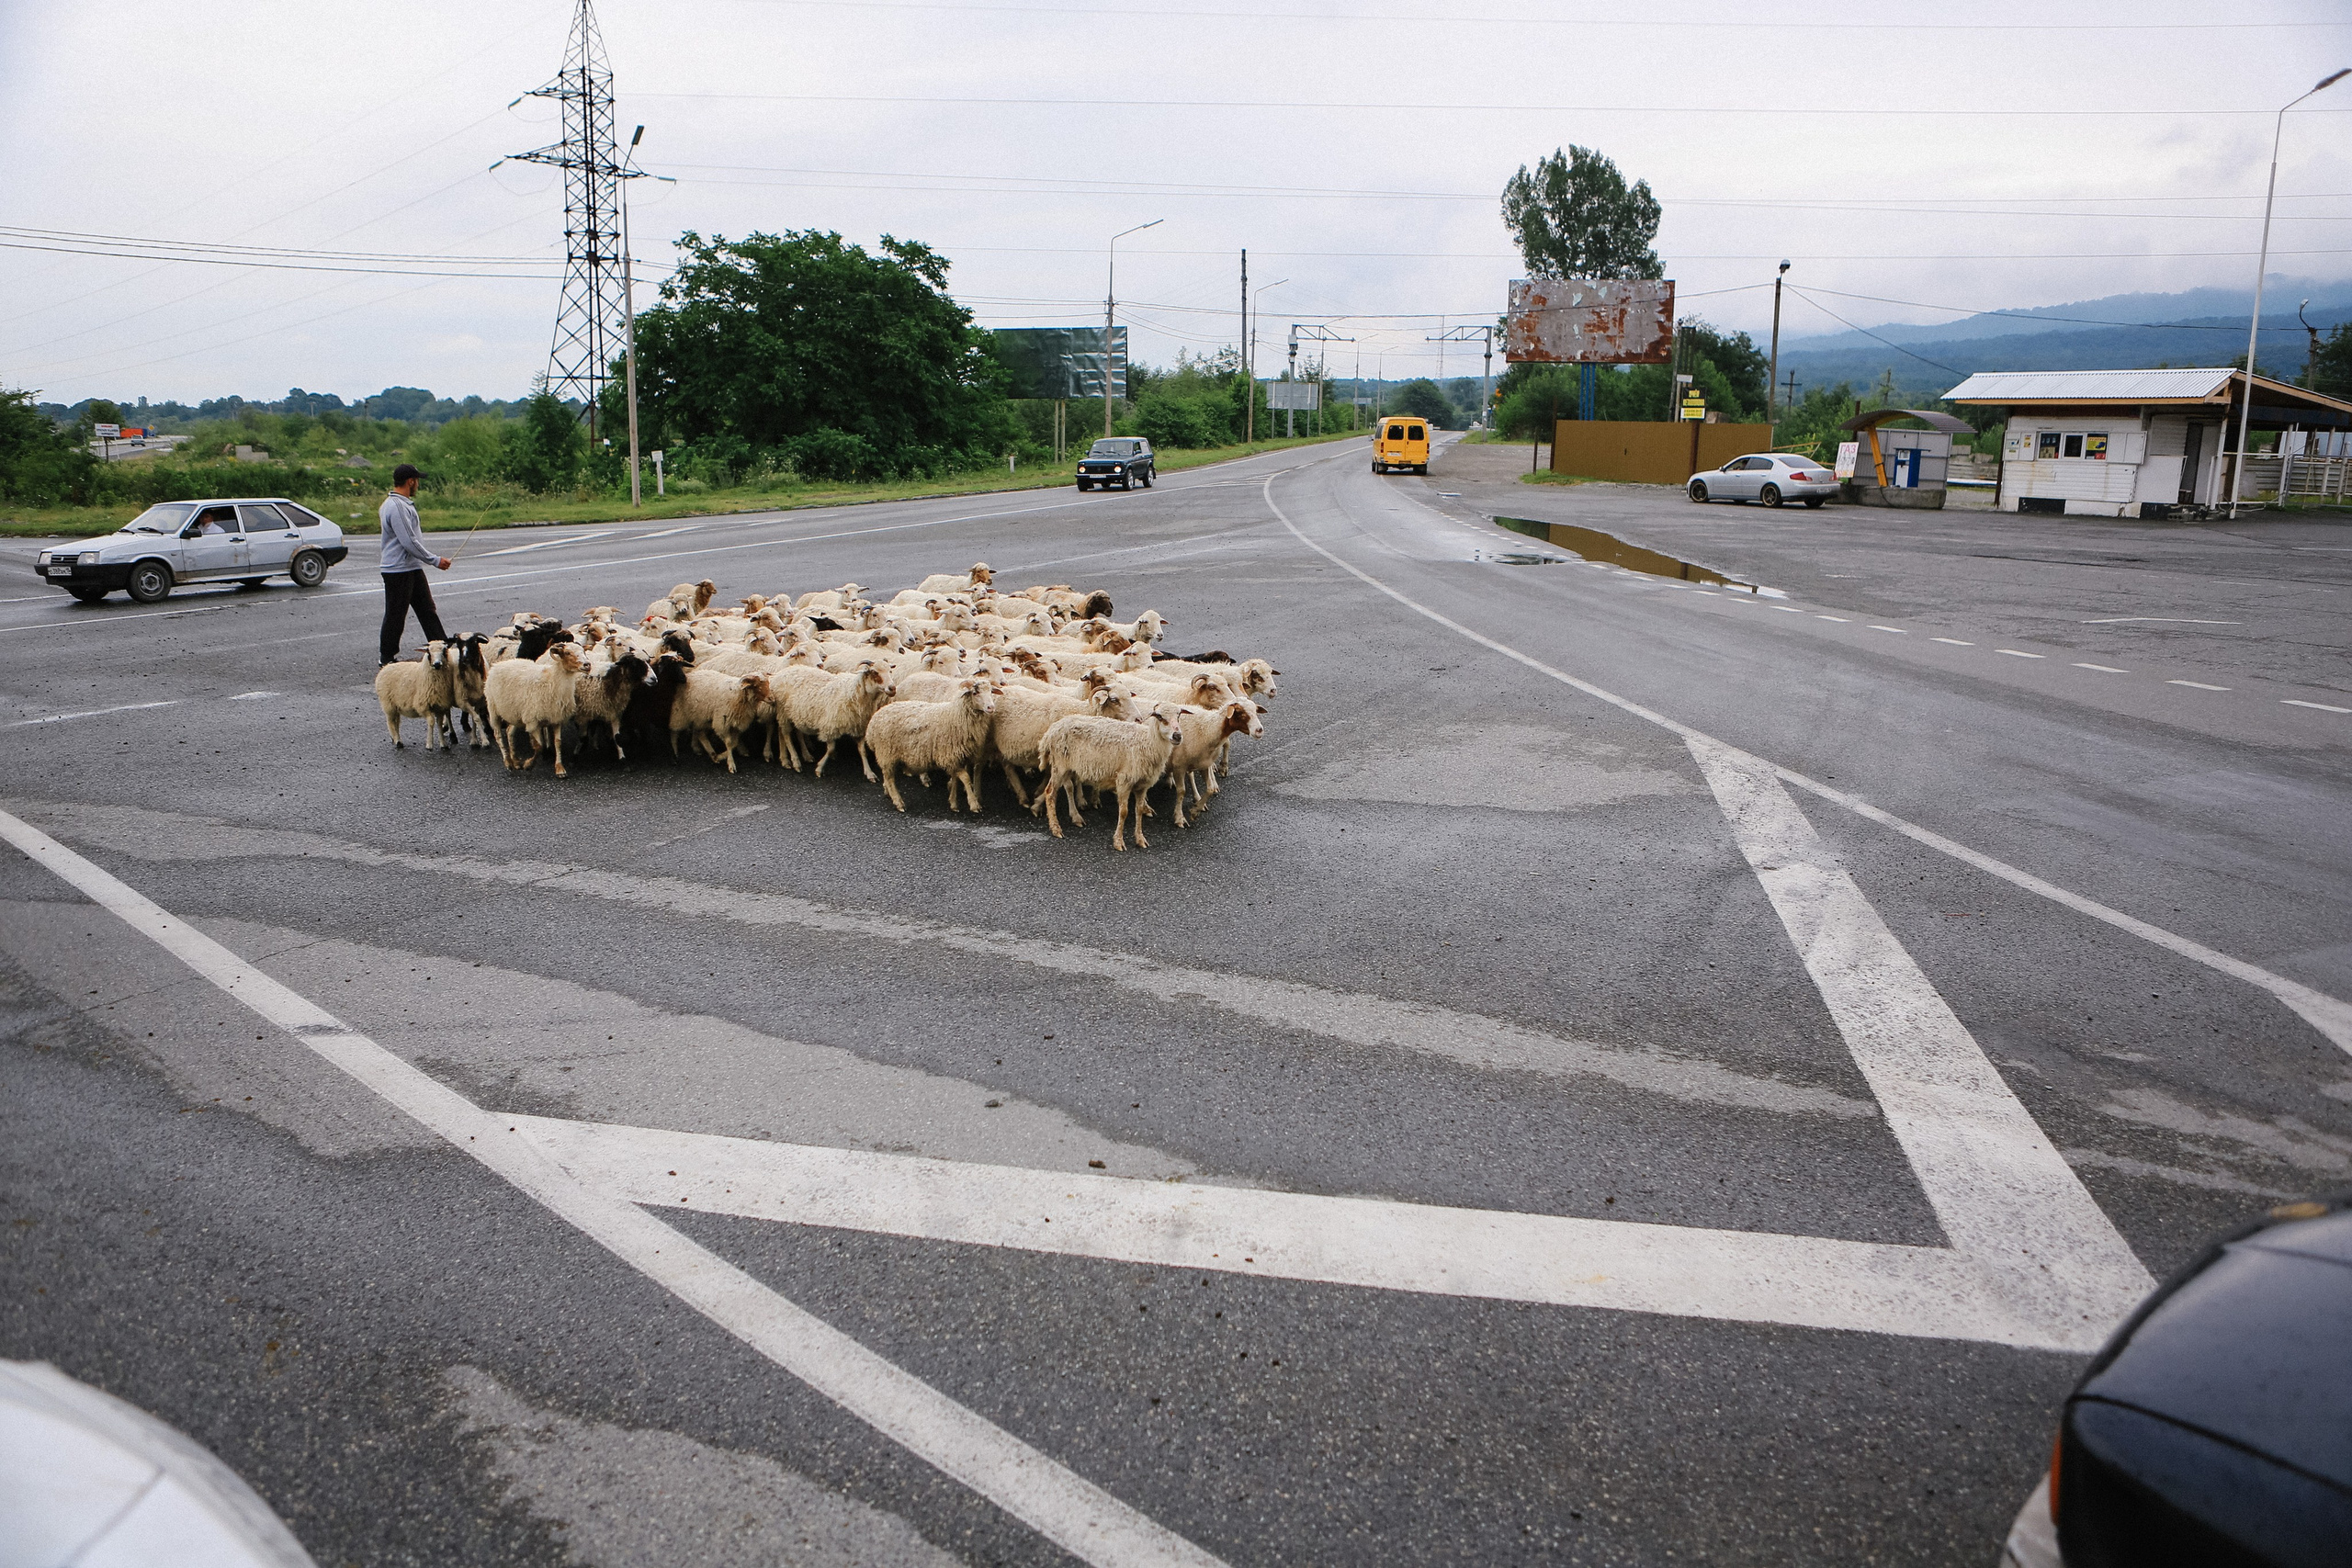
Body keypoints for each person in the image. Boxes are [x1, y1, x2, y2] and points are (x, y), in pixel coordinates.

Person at [379, 463, 451, 666]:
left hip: (411, 567)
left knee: (427, 610)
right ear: (411, 481)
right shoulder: (397, 507)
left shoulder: (395, 503)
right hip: (398, 570)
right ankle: (386, 657)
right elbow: (409, 541)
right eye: (417, 481)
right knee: (395, 614)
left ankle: (442, 646)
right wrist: (435, 560)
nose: (417, 484)